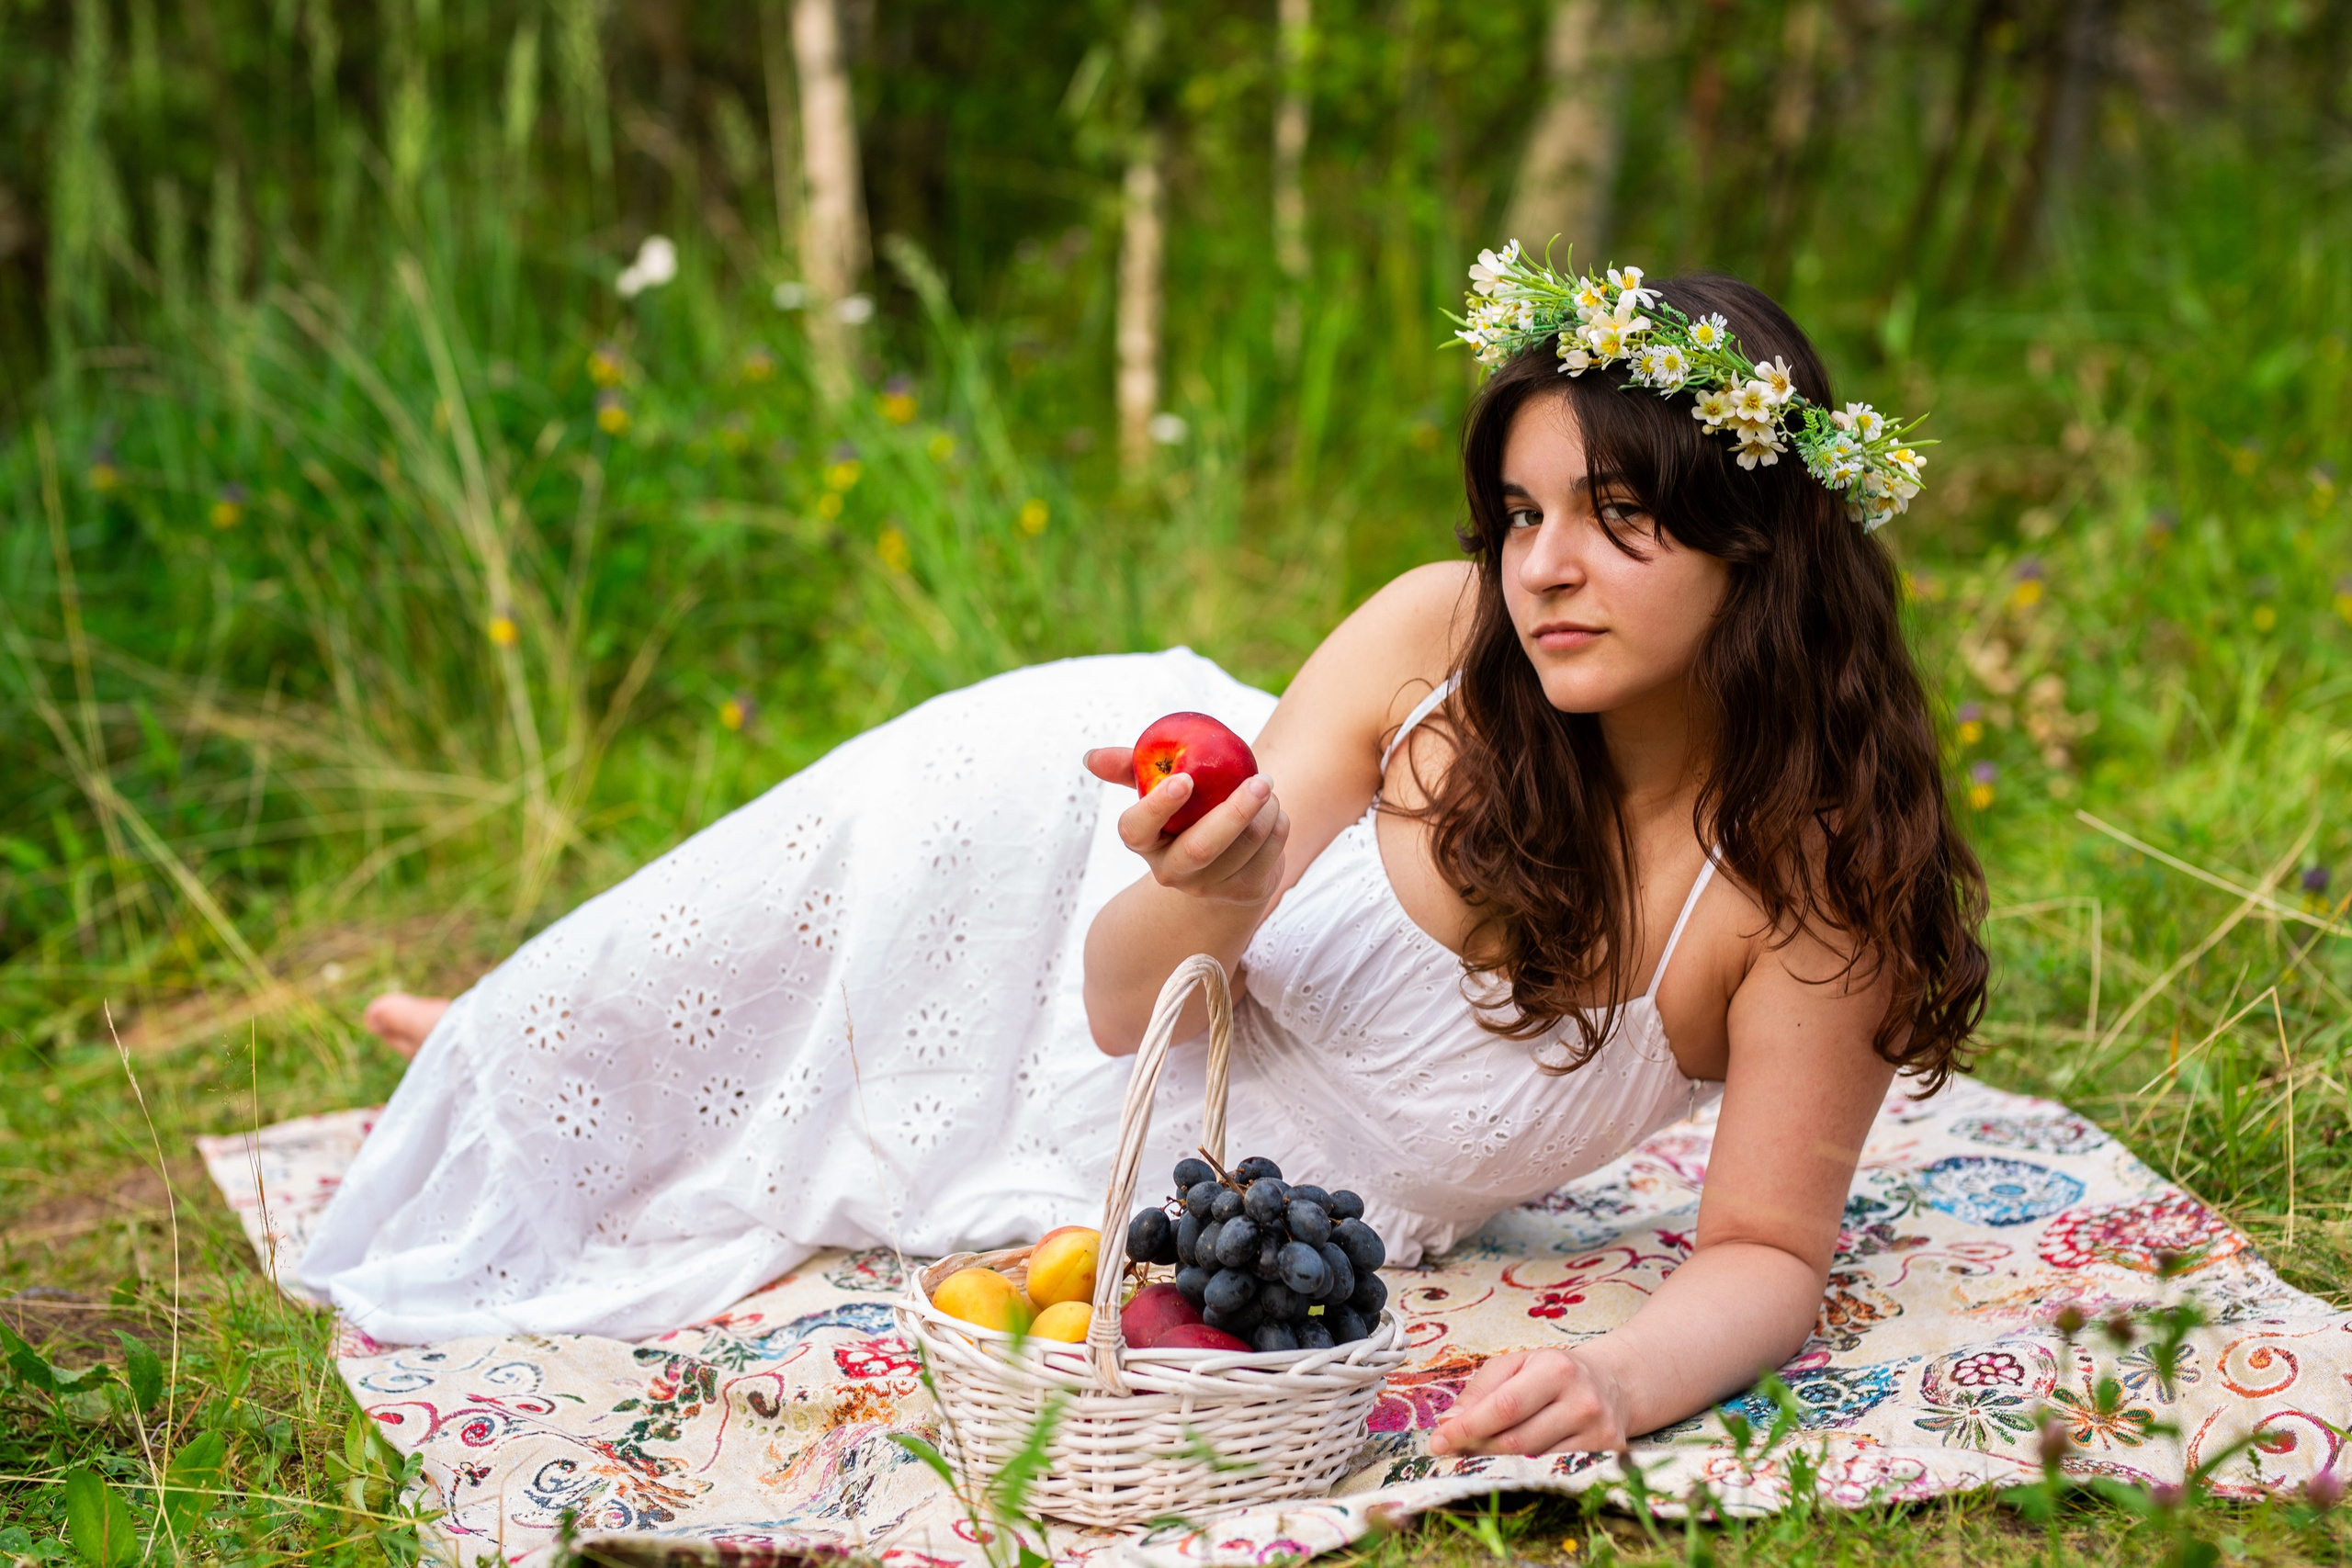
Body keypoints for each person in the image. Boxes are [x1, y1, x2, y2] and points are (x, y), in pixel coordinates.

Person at [310, 249, 1985, 1460]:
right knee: (674, 979)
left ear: (1761, 538)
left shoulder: (1807, 894)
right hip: (1054, 854)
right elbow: (1123, 1009)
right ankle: (528, 1033)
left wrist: (1620, 1380)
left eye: (1616, 514)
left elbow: (1767, 1253)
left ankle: (583, 1052)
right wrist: (1218, 886)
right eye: (1523, 512)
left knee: (779, 1128)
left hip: (1193, 1189)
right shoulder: (1440, 638)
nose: (1543, 567)